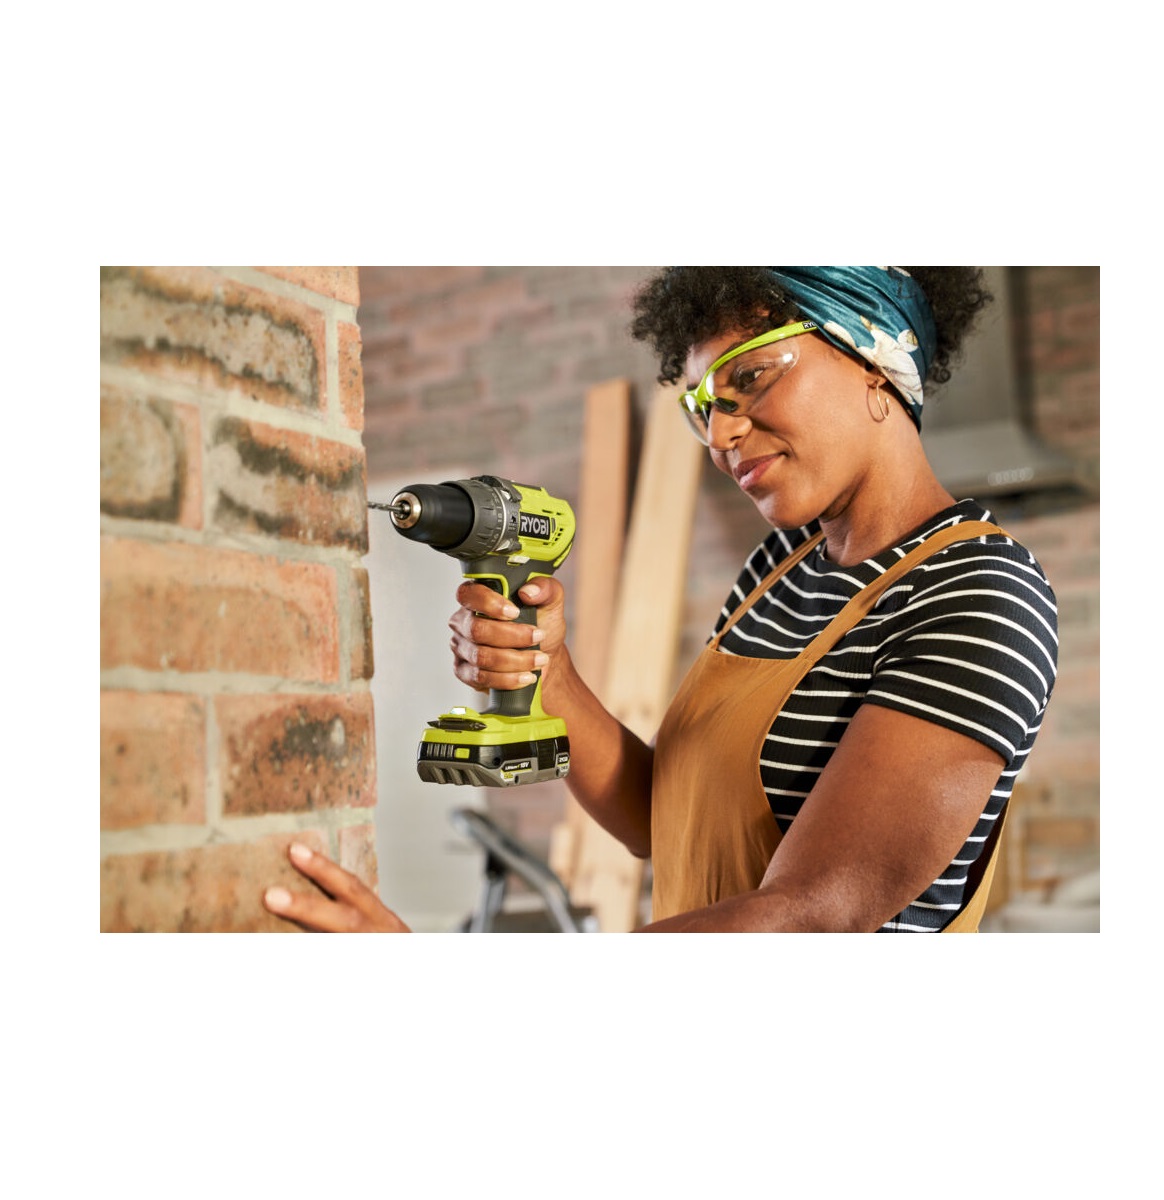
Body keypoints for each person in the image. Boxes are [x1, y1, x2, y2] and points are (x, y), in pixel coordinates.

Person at [262, 266, 1058, 933]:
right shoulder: (778, 571)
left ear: (874, 360)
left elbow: (811, 915)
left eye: (749, 378)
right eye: (702, 406)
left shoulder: (981, 592)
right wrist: (548, 670)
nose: (720, 437)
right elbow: (661, 822)